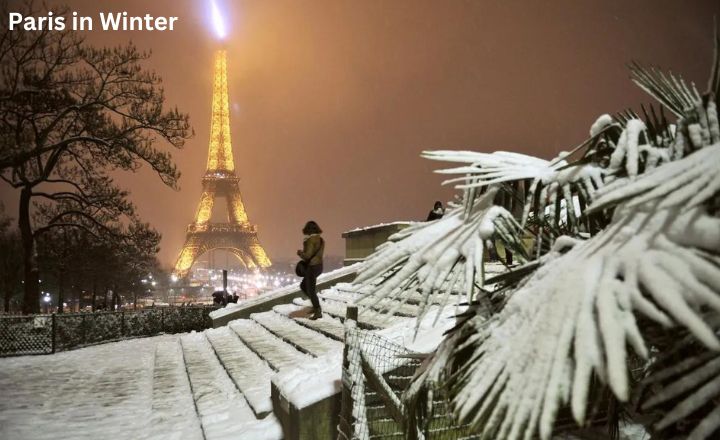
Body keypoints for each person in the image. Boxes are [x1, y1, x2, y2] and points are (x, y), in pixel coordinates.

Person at [297, 220, 324, 320]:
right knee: (304, 286)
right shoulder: (321, 240)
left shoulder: (310, 240)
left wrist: (300, 252)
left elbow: (307, 256)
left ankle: (318, 310)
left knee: (310, 290)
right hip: (319, 266)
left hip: (312, 267)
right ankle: (315, 305)